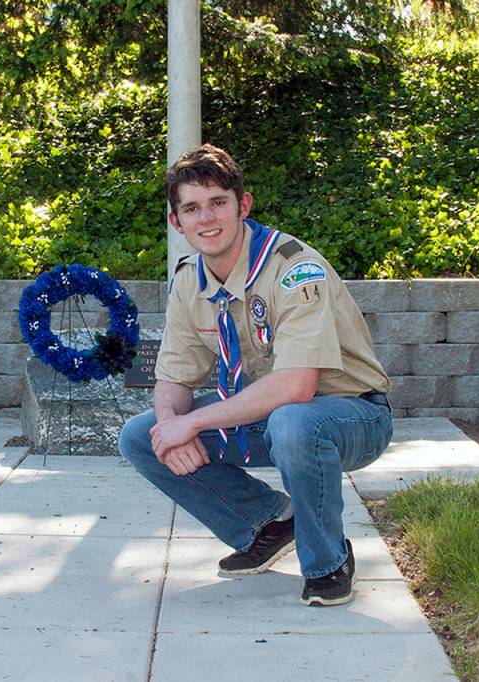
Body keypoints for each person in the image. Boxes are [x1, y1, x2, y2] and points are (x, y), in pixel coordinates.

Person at [118, 144, 393, 606]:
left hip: (352, 417)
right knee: (142, 436)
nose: (206, 219)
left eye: (218, 202)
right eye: (191, 208)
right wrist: (171, 425)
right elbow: (174, 379)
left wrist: (194, 423)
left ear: (243, 205)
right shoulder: (190, 280)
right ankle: (266, 525)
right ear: (176, 222)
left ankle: (328, 562)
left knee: (294, 421)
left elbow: (297, 386)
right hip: (268, 418)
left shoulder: (292, 268)